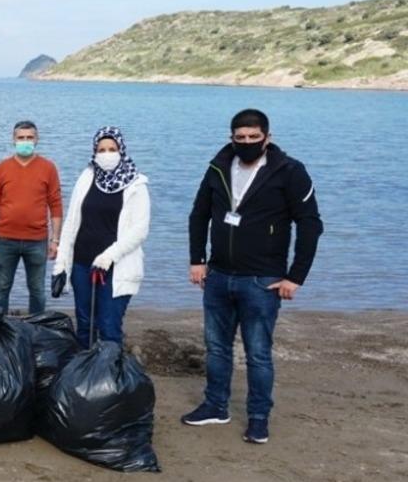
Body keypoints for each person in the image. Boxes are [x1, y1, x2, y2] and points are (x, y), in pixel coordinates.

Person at [183, 108, 323, 445]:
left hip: (263, 280)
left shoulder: (289, 171)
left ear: (267, 138)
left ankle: (258, 418)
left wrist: (295, 277)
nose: (246, 143)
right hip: (218, 275)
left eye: (253, 138)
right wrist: (197, 260)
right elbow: (199, 214)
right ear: (231, 137)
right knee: (216, 348)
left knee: (258, 353)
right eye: (240, 138)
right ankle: (216, 406)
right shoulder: (218, 167)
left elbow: (310, 224)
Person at [52, 127, 151, 349]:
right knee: (86, 324)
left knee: (109, 326)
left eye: (112, 149)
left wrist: (108, 257)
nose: (107, 154)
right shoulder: (87, 177)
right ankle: (85, 375)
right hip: (81, 263)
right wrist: (61, 263)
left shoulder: (136, 184)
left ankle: (109, 377)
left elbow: (140, 230)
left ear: (121, 150)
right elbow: (72, 222)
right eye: (101, 149)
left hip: (116, 267)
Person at [0, 120, 63, 314]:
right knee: (1, 288)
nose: (25, 141)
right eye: (21, 138)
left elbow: (56, 205)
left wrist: (55, 240)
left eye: (29, 137)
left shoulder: (48, 168)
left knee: (37, 290)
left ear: (37, 139)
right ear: (13, 139)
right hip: (4, 240)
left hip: (37, 241)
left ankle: (36, 328)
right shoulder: (1, 168)